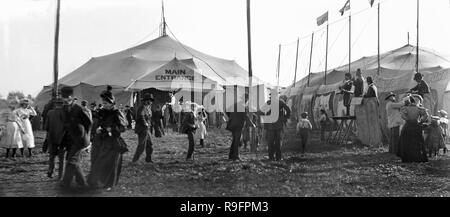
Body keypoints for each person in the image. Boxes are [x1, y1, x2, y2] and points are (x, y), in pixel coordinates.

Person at [88, 89, 128, 189]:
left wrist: (112, 128)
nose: (104, 105)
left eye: (106, 103)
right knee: (99, 161)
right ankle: (98, 181)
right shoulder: (102, 112)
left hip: (113, 142)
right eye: (103, 103)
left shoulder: (117, 113)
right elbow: (98, 123)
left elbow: (123, 127)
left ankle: (109, 184)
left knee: (111, 164)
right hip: (101, 140)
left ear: (111, 103)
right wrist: (98, 129)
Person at [59, 86, 92, 189]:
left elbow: (89, 124)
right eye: (64, 98)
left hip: (81, 139)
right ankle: (82, 183)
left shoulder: (79, 110)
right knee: (74, 161)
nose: (66, 100)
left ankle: (65, 183)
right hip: (71, 139)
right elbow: (65, 124)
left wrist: (87, 138)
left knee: (71, 160)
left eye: (68, 98)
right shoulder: (63, 109)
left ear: (72, 98)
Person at [398, 96, 428, 163]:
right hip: (417, 126)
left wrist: (408, 119)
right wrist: (421, 121)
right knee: (417, 142)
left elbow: (402, 115)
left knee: (407, 142)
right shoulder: (419, 109)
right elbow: (426, 115)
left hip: (408, 126)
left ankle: (407, 158)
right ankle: (417, 158)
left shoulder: (406, 108)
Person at [226, 93, 255, 161]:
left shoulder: (235, 104)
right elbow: (246, 117)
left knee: (235, 140)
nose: (247, 101)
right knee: (237, 141)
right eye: (247, 99)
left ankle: (231, 156)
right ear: (245, 99)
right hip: (238, 125)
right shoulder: (242, 106)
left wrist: (231, 117)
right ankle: (236, 156)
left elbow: (227, 110)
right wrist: (252, 124)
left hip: (232, 124)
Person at [263, 93, 291, 161]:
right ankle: (278, 157)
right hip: (279, 125)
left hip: (270, 126)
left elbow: (262, 111)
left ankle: (271, 157)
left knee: (270, 142)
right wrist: (285, 117)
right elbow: (288, 110)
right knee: (278, 142)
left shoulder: (268, 103)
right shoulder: (281, 102)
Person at [44, 98, 67, 179]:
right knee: (61, 158)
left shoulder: (50, 112)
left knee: (52, 156)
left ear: (55, 104)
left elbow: (46, 127)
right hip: (62, 138)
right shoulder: (65, 113)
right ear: (63, 104)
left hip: (52, 137)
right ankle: (60, 176)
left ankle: (50, 171)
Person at [132, 93, 154, 163]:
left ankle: (148, 159)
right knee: (141, 145)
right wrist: (146, 123)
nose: (150, 102)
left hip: (146, 129)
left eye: (151, 100)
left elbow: (149, 117)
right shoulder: (142, 107)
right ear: (146, 100)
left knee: (149, 144)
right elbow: (140, 116)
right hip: (142, 129)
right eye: (149, 100)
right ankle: (134, 160)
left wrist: (149, 124)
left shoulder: (148, 107)